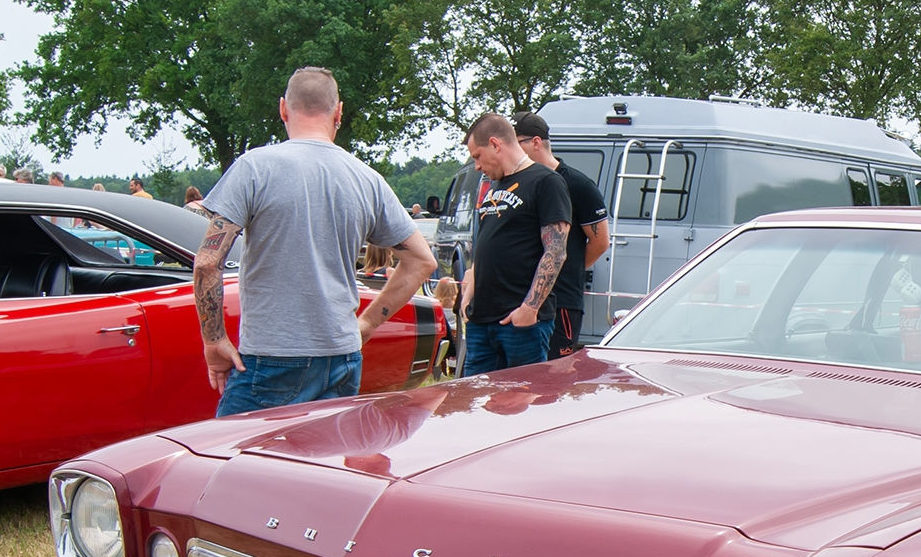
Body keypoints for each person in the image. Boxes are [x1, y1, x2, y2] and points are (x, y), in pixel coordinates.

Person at [193, 65, 435, 416]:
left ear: (283, 109)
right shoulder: (366, 179)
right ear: (338, 112)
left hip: (271, 356)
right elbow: (422, 261)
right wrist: (366, 324)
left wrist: (214, 340)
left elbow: (207, 262)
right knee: (323, 466)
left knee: (242, 465)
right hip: (342, 356)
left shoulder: (255, 167)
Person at [459, 112, 570, 375]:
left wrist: (529, 310)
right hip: (480, 321)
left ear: (496, 144)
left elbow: (555, 251)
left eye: (477, 156)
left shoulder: (546, 181)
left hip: (519, 323)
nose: (476, 166)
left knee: (521, 403)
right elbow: (483, 246)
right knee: (473, 402)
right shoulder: (493, 186)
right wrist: (467, 298)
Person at [513, 112, 609, 359]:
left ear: (536, 142)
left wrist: (567, 268)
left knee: (555, 375)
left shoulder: (577, 184)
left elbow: (600, 242)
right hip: (520, 298)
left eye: (516, 143)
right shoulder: (519, 183)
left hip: (562, 301)